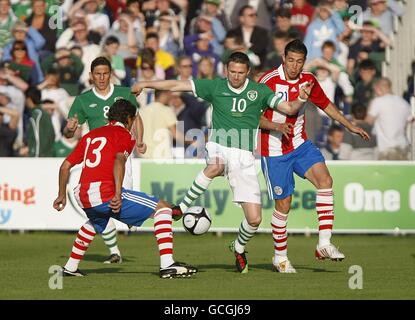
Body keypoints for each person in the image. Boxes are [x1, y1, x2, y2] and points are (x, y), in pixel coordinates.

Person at [132, 52, 314, 273]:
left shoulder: (259, 91)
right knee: (215, 166)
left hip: (244, 157)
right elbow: (177, 84)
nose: (235, 77)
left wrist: (302, 98)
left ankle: (238, 247)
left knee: (255, 219)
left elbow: (288, 108)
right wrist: (145, 83)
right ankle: (181, 207)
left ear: (247, 72)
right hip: (219, 145)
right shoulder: (216, 87)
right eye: (232, 72)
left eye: (240, 73)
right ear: (226, 70)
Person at [258, 39, 370, 273]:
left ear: (304, 62)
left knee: (325, 181)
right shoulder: (267, 81)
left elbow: (326, 104)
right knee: (284, 204)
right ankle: (280, 257)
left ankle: (324, 243)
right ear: (283, 58)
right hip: (274, 150)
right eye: (290, 60)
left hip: (300, 144)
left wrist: (348, 124)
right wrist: (276, 127)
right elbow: (252, 117)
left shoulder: (308, 80)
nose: (294, 66)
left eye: (299, 62)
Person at [53, 99, 197, 278]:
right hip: (104, 191)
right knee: (163, 208)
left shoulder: (91, 135)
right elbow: (119, 160)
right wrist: (118, 194)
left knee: (97, 222)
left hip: (82, 194)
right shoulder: (124, 135)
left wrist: (61, 195)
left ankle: (70, 267)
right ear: (129, 119)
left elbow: (65, 166)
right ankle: (167, 264)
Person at [63, 56, 143, 264]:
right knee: (107, 203)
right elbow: (69, 133)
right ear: (91, 76)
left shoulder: (124, 93)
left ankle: (81, 261)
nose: (101, 77)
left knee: (119, 200)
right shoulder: (82, 100)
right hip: (97, 160)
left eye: (105, 73)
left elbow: (137, 117)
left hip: (120, 154)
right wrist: (70, 129)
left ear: (111, 74)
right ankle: (115, 250)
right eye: (97, 74)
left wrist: (140, 141)